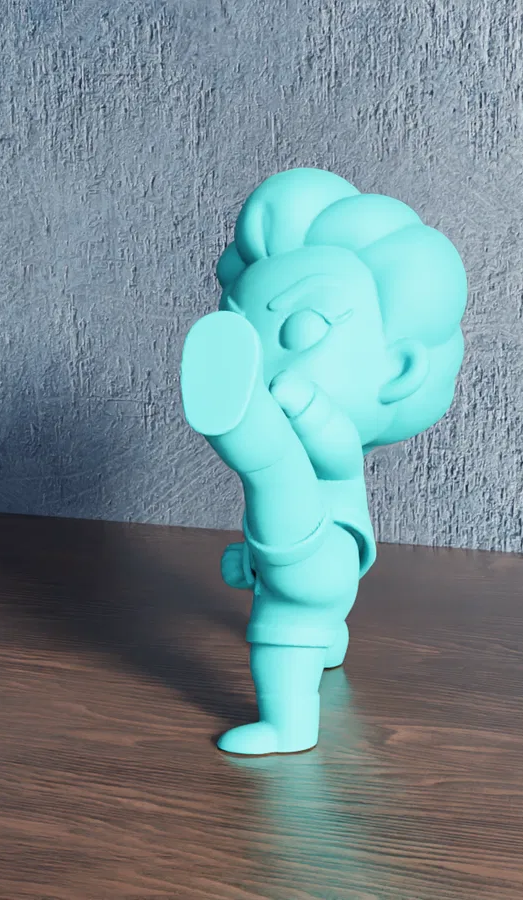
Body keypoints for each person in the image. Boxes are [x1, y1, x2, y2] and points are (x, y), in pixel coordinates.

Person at [180, 167, 467, 755]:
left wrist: (309, 411)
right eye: (246, 331)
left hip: (326, 549)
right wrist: (249, 560)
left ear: (398, 368)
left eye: (302, 327)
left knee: (282, 624)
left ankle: (289, 726)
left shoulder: (329, 439)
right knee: (286, 565)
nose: (263, 360)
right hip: (293, 556)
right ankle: (330, 640)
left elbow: (335, 461)